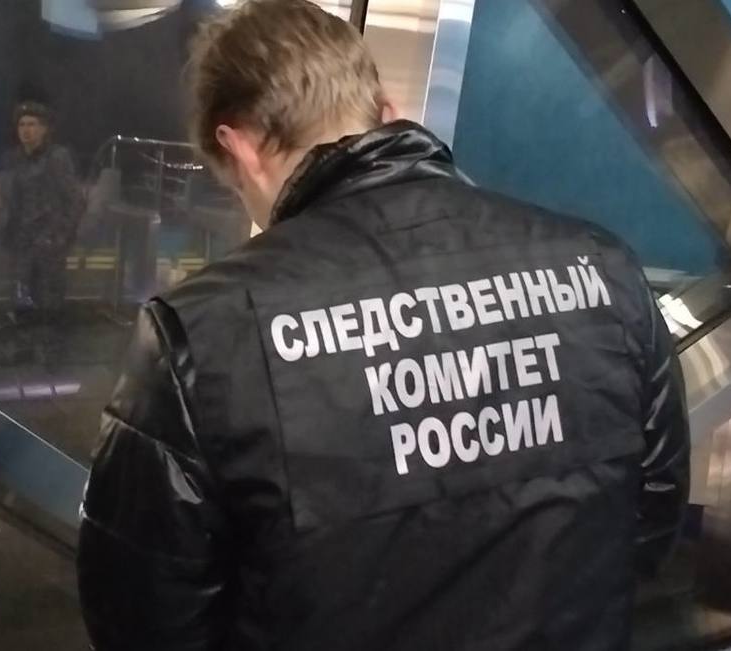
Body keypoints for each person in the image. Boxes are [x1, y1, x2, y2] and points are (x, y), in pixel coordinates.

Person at [76, 2, 690, 650]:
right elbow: (647, 519)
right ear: (387, 111)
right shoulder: (604, 270)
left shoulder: (200, 336)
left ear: (242, 148)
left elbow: (145, 618)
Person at [0, 101, 84, 319]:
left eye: (32, 124)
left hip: (48, 240)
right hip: (21, 240)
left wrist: (60, 236)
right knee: (20, 304)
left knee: (48, 306)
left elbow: (74, 199)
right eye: (22, 125)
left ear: (44, 129)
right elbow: (10, 198)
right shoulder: (14, 159)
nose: (26, 130)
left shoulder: (57, 157)